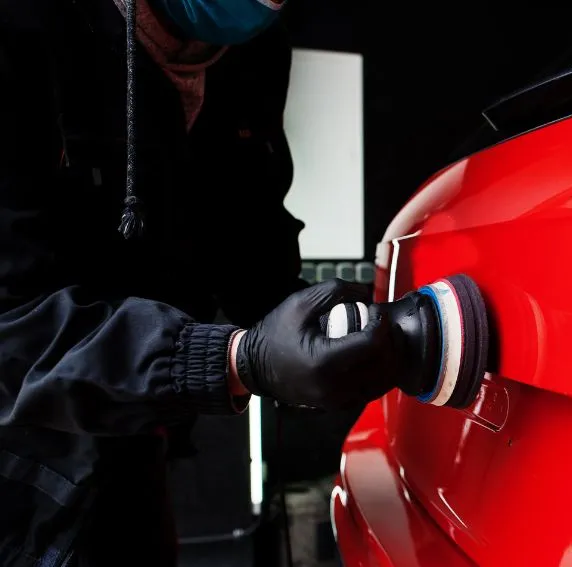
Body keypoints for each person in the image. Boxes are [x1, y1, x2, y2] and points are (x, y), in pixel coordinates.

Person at [0, 0, 399, 564]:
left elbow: (247, 232)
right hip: (17, 459)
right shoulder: (23, 31)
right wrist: (237, 360)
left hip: (129, 438)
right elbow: (10, 327)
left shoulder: (254, 53)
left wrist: (315, 318)